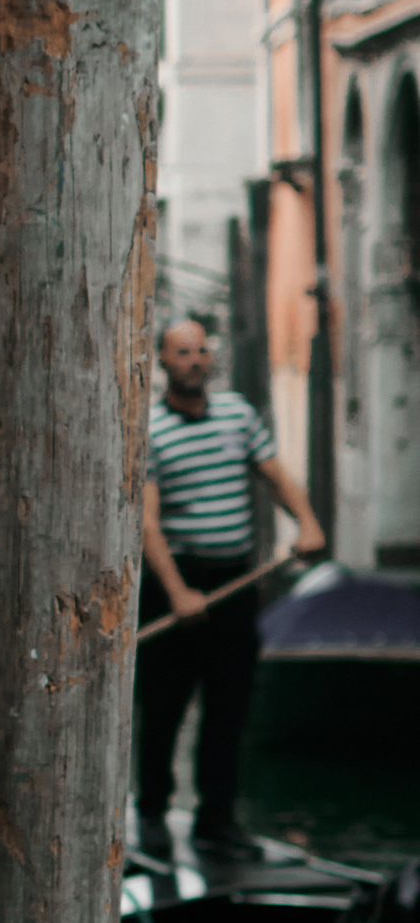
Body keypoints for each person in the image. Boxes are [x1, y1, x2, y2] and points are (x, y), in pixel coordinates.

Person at [136, 316, 324, 862]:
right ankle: (151, 814)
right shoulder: (150, 430)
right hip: (178, 582)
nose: (195, 360)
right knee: (165, 707)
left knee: (228, 707)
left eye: (201, 351)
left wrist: (306, 523)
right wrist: (176, 591)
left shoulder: (239, 415)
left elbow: (276, 474)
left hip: (235, 583)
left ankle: (215, 822)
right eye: (182, 352)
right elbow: (147, 522)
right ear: (163, 362)